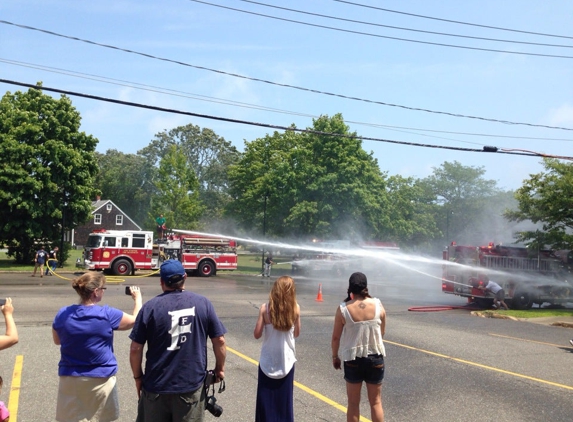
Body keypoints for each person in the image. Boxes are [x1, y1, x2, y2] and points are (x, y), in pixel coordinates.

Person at [129, 259, 226, 422]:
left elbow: (135, 349)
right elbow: (220, 341)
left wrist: (138, 378)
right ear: (185, 277)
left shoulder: (150, 307)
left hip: (156, 386)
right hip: (189, 386)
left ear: (161, 281)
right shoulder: (203, 304)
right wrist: (219, 369)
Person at [52, 272, 142, 422]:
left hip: (71, 378)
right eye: (103, 288)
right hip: (100, 379)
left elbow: (57, 340)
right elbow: (135, 321)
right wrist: (137, 299)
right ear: (95, 292)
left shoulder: (63, 314)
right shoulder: (106, 314)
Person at [331, 272, 386, 422]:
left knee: (353, 404)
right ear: (366, 287)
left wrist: (335, 356)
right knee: (376, 402)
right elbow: (382, 333)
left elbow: (336, 337)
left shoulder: (343, 309)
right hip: (375, 358)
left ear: (350, 288)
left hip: (353, 359)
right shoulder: (378, 305)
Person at [253, 276, 301, 422]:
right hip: (286, 361)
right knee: (284, 401)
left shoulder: (265, 309)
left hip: (268, 361)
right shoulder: (295, 309)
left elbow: (257, 334)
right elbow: (297, 333)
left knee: (265, 399)